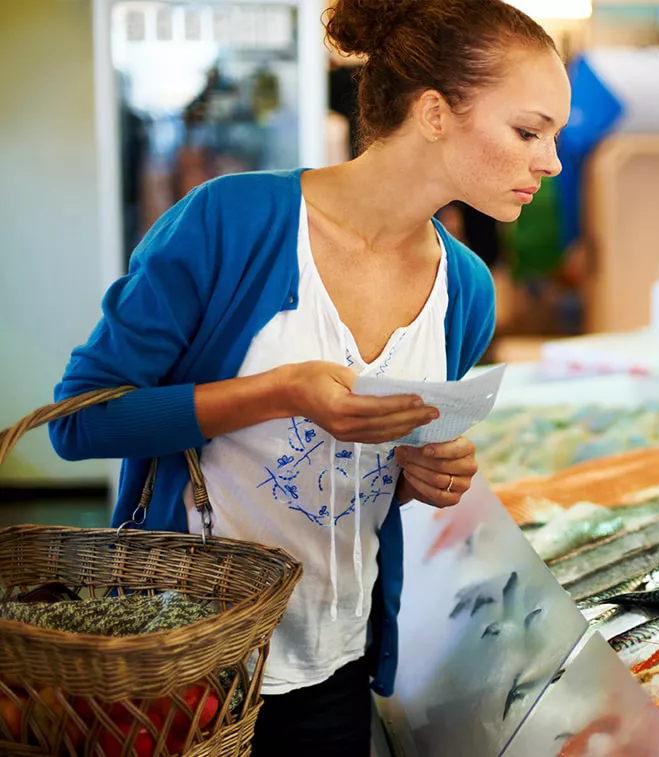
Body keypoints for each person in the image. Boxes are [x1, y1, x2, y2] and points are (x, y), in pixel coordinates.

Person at [48, 1, 570, 754]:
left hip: (338, 666)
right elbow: (78, 422)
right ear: (432, 112)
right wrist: (282, 391)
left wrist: (425, 471)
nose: (550, 161)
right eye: (529, 130)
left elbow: (378, 478)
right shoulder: (229, 224)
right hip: (183, 663)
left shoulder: (466, 290)